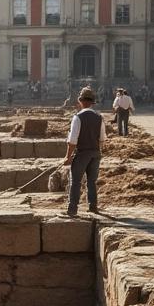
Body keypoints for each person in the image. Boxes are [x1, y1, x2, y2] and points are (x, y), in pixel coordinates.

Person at [64, 87, 103, 216]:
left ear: (80, 101)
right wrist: (96, 151)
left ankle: (72, 209)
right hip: (95, 153)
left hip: (82, 153)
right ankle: (93, 206)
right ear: (92, 102)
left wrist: (68, 157)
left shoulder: (78, 117)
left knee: (75, 181)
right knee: (92, 181)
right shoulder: (99, 117)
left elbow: (72, 141)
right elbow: (102, 139)